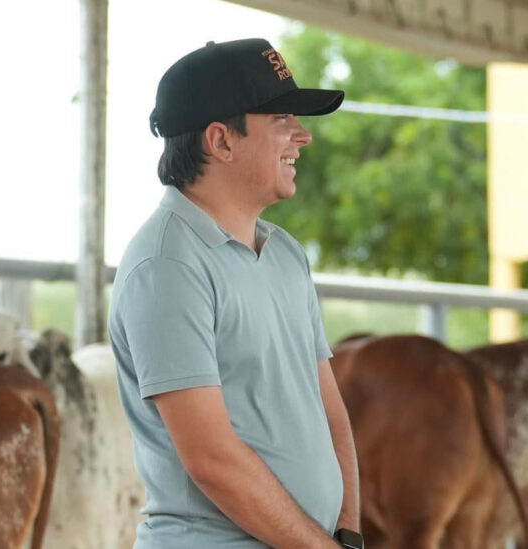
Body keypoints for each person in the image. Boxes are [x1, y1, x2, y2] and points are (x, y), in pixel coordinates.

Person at [109, 38, 362, 549]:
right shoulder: (167, 265)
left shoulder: (286, 254)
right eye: (281, 120)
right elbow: (212, 459)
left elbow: (329, 411)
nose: (302, 136)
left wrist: (349, 533)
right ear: (221, 141)